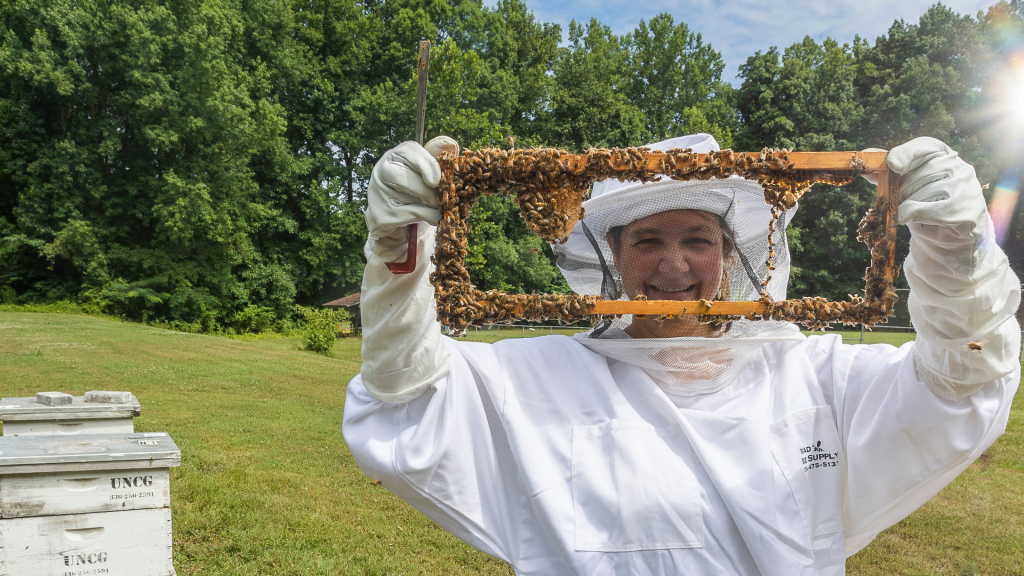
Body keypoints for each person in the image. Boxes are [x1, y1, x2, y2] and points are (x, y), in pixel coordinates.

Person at [342, 133, 1021, 575]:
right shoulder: (536, 378)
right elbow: (405, 397)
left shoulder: (815, 376)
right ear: (613, 256)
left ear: (730, 253)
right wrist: (398, 256)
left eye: (697, 237)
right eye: (647, 241)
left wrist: (957, 258)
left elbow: (963, 383)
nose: (673, 264)